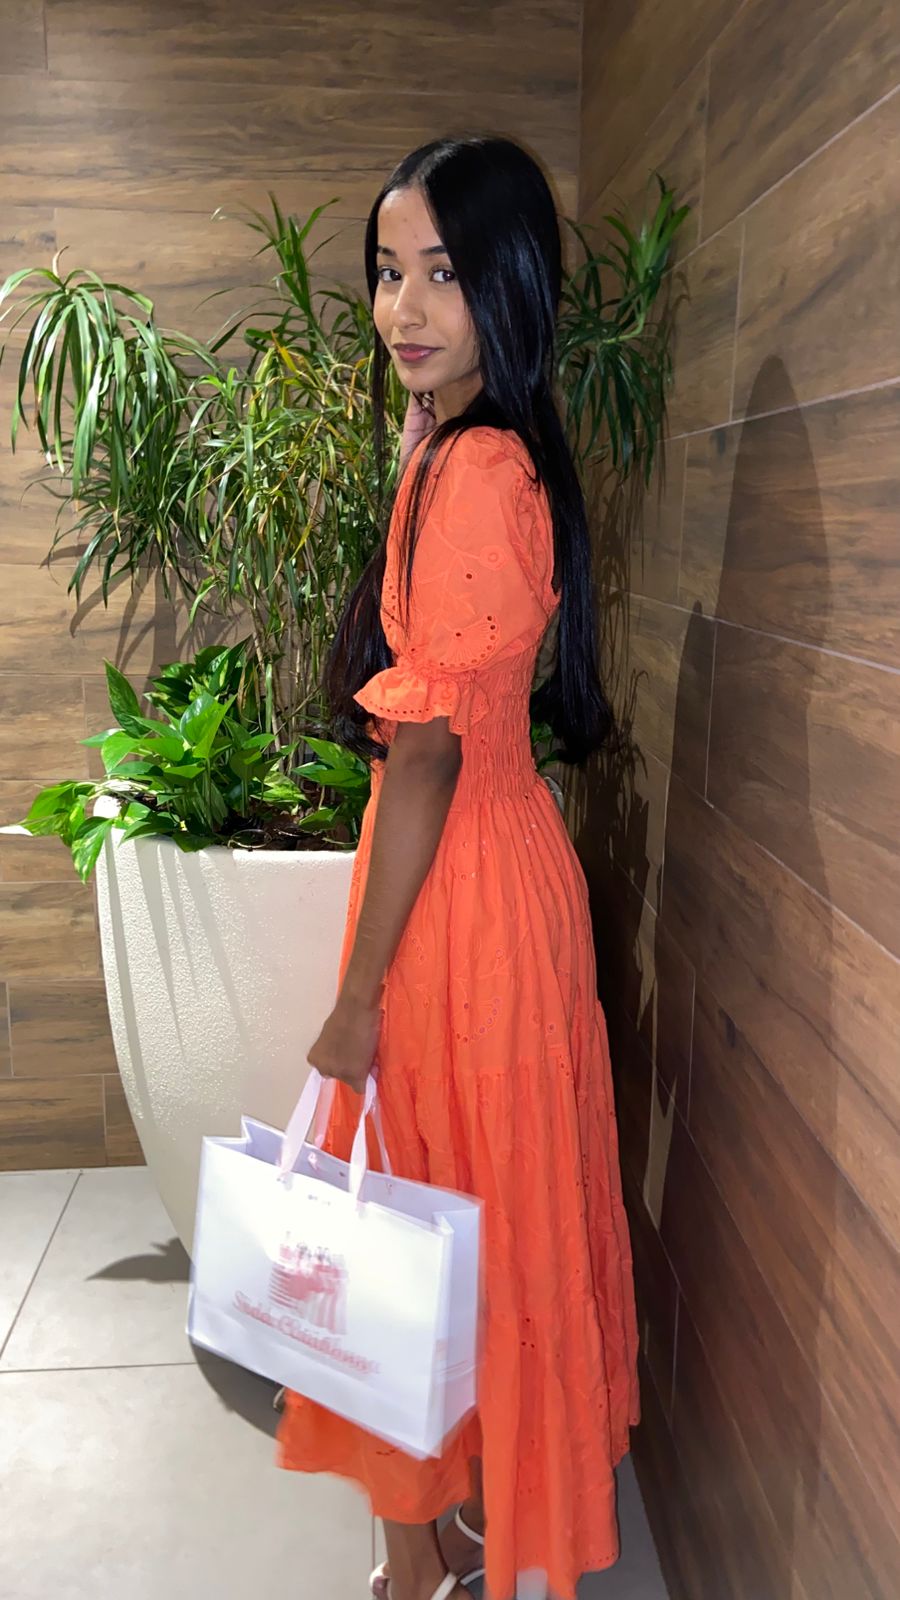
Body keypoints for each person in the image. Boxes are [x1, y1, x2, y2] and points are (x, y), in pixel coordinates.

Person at [276, 134, 640, 1600]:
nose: (404, 307)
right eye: (387, 271)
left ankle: (421, 1546)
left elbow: (424, 753)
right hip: (472, 875)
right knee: (455, 1210)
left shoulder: (479, 467)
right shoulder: (452, 443)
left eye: (443, 271)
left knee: (422, 1204)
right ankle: (437, 1525)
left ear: (511, 283)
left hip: (462, 894)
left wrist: (356, 999)